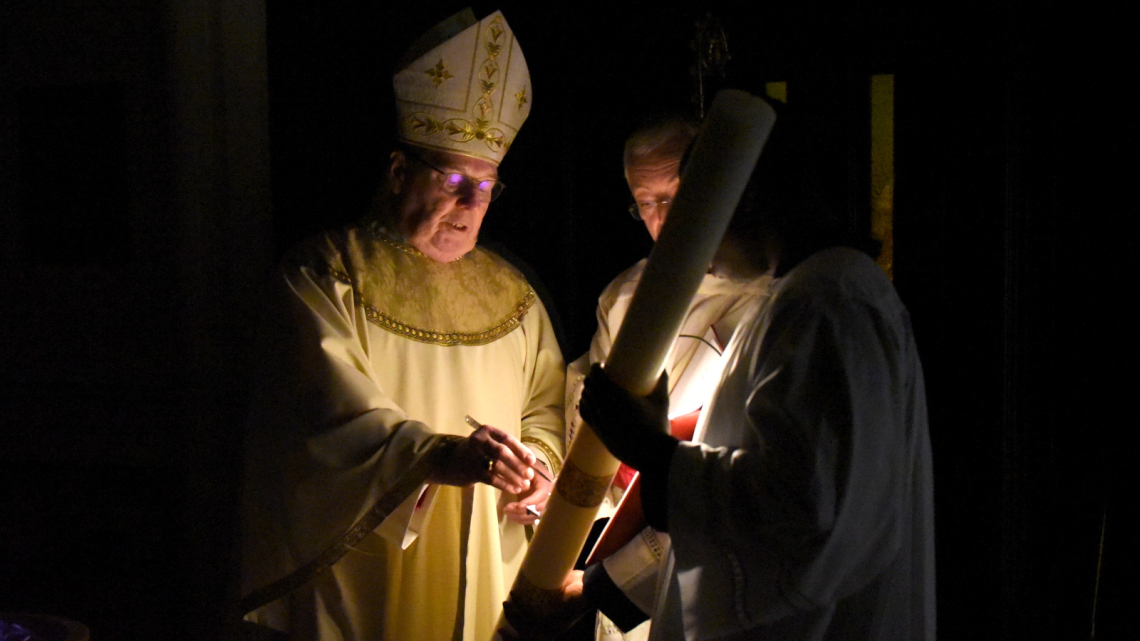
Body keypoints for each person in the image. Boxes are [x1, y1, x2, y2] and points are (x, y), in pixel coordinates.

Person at [239, 10, 565, 641]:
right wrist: (442, 456)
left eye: (487, 186)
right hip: (369, 568)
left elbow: (546, 410)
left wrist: (537, 474)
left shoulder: (514, 296)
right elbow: (325, 422)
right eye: (453, 181)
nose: (472, 206)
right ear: (397, 172)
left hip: (485, 561)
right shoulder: (326, 273)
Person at [578, 100, 936, 640]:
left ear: (744, 203)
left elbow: (808, 511)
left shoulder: (826, 301)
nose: (684, 237)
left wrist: (649, 449)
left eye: (693, 210)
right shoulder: (803, 293)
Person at [564, 116, 772, 640]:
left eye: (674, 195)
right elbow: (589, 419)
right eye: (645, 202)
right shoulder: (624, 297)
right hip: (628, 531)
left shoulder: (765, 297)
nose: (662, 218)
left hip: (707, 549)